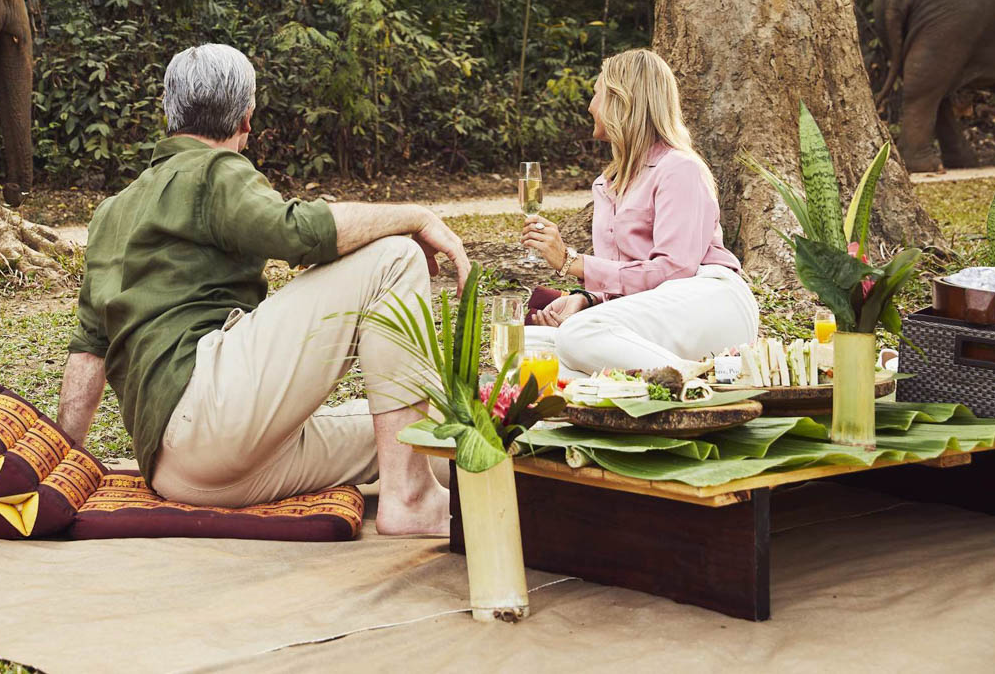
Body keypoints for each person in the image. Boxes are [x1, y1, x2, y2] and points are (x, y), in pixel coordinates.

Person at [55, 44, 469, 537]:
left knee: (435, 430)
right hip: (213, 417)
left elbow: (88, 354)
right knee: (394, 256)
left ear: (168, 110)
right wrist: (416, 216)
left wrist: (63, 465)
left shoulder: (111, 212)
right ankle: (411, 498)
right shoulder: (213, 170)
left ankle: (452, 480)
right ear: (247, 119)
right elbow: (296, 232)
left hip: (180, 472)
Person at [520, 48, 758, 378]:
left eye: (597, 93)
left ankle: (699, 383)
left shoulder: (680, 169)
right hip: (660, 313)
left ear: (623, 101)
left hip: (711, 300)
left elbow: (674, 271)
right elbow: (630, 275)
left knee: (578, 335)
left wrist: (570, 261)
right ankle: (667, 385)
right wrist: (588, 300)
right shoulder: (607, 185)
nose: (590, 106)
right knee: (528, 347)